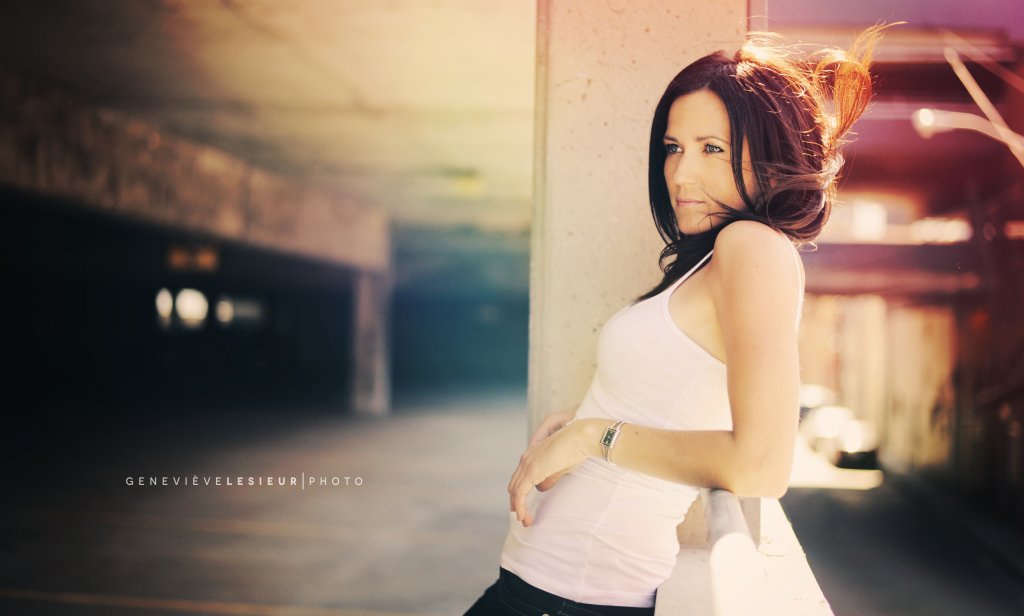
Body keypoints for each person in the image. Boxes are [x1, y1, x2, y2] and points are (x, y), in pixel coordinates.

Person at [465, 25, 885, 616]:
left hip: (569, 599)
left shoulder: (752, 248)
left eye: (711, 148)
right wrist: (580, 424)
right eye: (672, 148)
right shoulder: (714, 259)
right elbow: (672, 398)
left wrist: (593, 437)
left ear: (768, 158)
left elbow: (761, 466)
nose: (681, 174)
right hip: (544, 588)